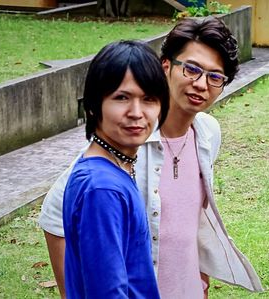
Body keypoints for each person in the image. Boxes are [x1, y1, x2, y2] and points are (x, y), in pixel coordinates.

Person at [39, 17, 263, 298]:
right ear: (165, 67)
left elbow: (188, 220)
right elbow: (55, 217)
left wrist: (198, 275)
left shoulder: (207, 133)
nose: (201, 84)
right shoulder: (127, 142)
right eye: (192, 69)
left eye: (215, 76)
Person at [62, 40, 169, 297]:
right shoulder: (102, 188)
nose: (137, 112)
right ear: (93, 105)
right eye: (121, 97)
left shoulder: (114, 168)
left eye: (149, 99)